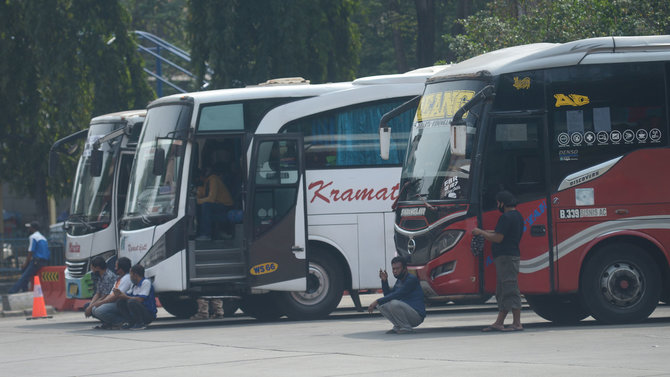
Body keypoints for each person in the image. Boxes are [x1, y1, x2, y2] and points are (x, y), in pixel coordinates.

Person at [472, 190, 524, 332]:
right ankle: (499, 322)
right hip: (507, 257)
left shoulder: (506, 217)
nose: (497, 205)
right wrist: (484, 231)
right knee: (501, 290)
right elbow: (499, 233)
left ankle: (517, 323)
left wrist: (481, 233)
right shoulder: (517, 216)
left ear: (502, 203)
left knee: (510, 288)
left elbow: (498, 238)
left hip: (506, 257)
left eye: (497, 203)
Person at [367, 256, 426, 334]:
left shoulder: (411, 280)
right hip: (407, 313)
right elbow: (388, 296)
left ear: (405, 269)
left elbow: (397, 295)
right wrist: (384, 281)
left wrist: (377, 301)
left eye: (397, 268)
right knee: (382, 305)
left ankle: (406, 327)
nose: (395, 271)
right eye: (393, 269)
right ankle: (398, 326)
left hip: (417, 316)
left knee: (394, 303)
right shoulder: (399, 281)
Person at [9, 221, 51, 293]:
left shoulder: (33, 237)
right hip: (43, 261)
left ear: (32, 228)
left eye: (30, 227)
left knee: (24, 275)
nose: (29, 229)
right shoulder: (43, 237)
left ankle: (12, 291)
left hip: (37, 261)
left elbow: (30, 251)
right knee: (27, 273)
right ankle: (24, 289)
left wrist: (25, 263)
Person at [90, 257, 132, 329]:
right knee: (93, 308)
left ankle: (121, 322)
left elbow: (115, 296)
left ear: (121, 269)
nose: (115, 268)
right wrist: (98, 303)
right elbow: (110, 294)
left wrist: (101, 302)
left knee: (99, 310)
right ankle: (109, 323)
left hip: (120, 303)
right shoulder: (119, 278)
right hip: (113, 301)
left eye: (116, 266)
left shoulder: (126, 278)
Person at [196, 165, 234, 240]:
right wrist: (198, 189)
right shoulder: (206, 182)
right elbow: (202, 194)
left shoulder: (213, 179)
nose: (198, 179)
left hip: (225, 205)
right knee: (201, 206)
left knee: (206, 205)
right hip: (217, 205)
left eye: (199, 177)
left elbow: (211, 198)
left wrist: (197, 201)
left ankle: (206, 234)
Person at [114, 264, 157, 330]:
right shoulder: (134, 285)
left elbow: (140, 299)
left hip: (148, 314)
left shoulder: (146, 282)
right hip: (138, 311)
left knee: (132, 302)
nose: (130, 277)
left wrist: (125, 297)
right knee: (120, 301)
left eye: (131, 274)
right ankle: (131, 322)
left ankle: (140, 323)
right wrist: (119, 294)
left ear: (135, 275)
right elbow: (127, 295)